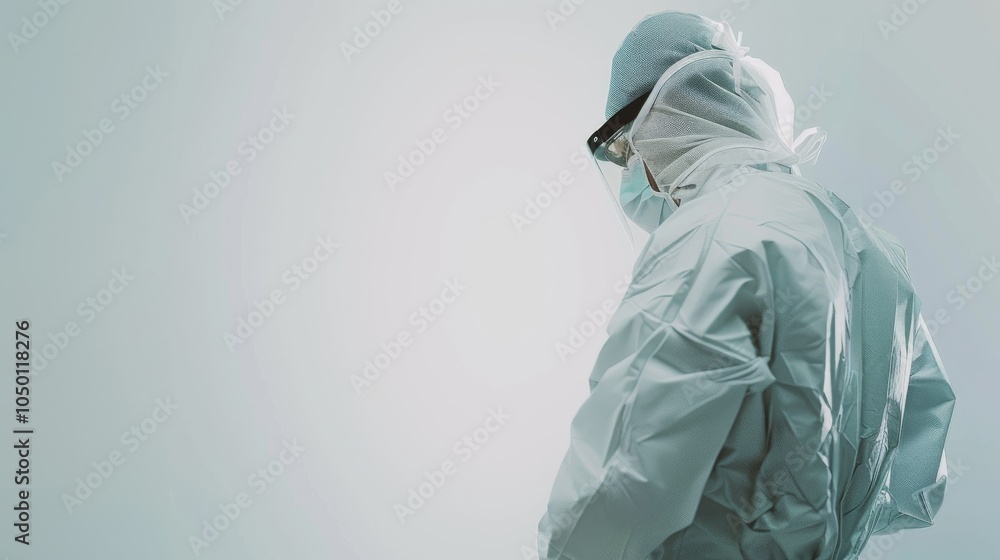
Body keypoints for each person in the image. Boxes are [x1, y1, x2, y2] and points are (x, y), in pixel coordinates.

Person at [537, 11, 956, 560]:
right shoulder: (871, 255)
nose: (632, 168)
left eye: (623, 146)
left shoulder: (714, 233)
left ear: (671, 109)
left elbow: (621, 481)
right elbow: (917, 485)